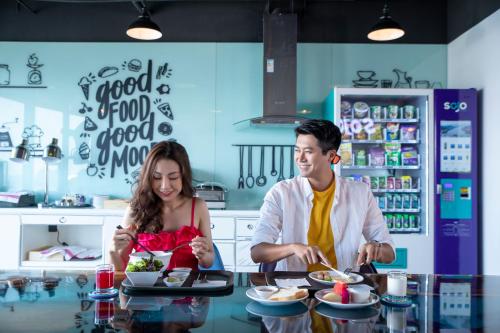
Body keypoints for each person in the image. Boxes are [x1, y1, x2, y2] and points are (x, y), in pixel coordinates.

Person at [251, 119, 395, 272]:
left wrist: (376, 247)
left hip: (342, 287)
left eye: (308, 151)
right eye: (297, 150)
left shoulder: (360, 193)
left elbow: (390, 254)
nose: (299, 158)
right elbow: (257, 252)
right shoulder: (281, 192)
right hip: (295, 287)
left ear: (331, 155)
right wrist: (293, 248)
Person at [109, 141, 214, 271]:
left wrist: (203, 255)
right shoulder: (136, 209)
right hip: (145, 289)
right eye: (157, 177)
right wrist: (113, 251)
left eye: (173, 177)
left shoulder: (198, 207)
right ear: (148, 177)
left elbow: (209, 261)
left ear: (184, 175)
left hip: (186, 289)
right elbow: (120, 270)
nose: (165, 186)